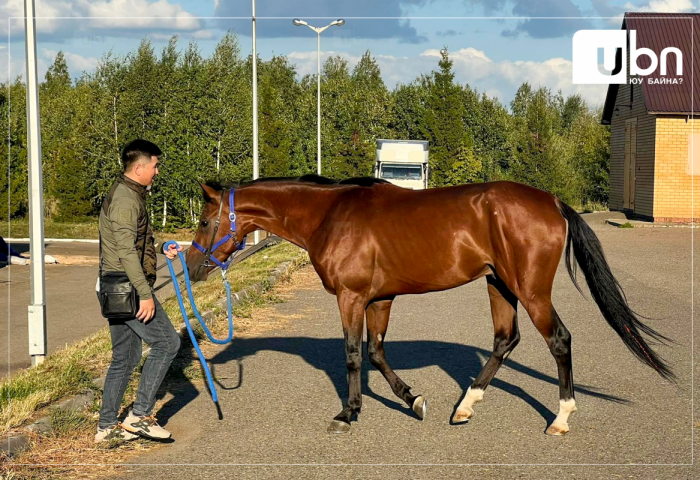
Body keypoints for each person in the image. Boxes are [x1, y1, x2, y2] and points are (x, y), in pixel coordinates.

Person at [95, 139, 183, 443]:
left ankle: (106, 428)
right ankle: (140, 416)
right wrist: (145, 293)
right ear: (140, 167)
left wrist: (161, 247)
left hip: (119, 284)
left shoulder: (130, 195)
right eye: (155, 165)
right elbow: (125, 252)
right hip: (126, 287)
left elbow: (134, 242)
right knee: (168, 342)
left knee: (126, 356)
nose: (157, 171)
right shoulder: (125, 200)